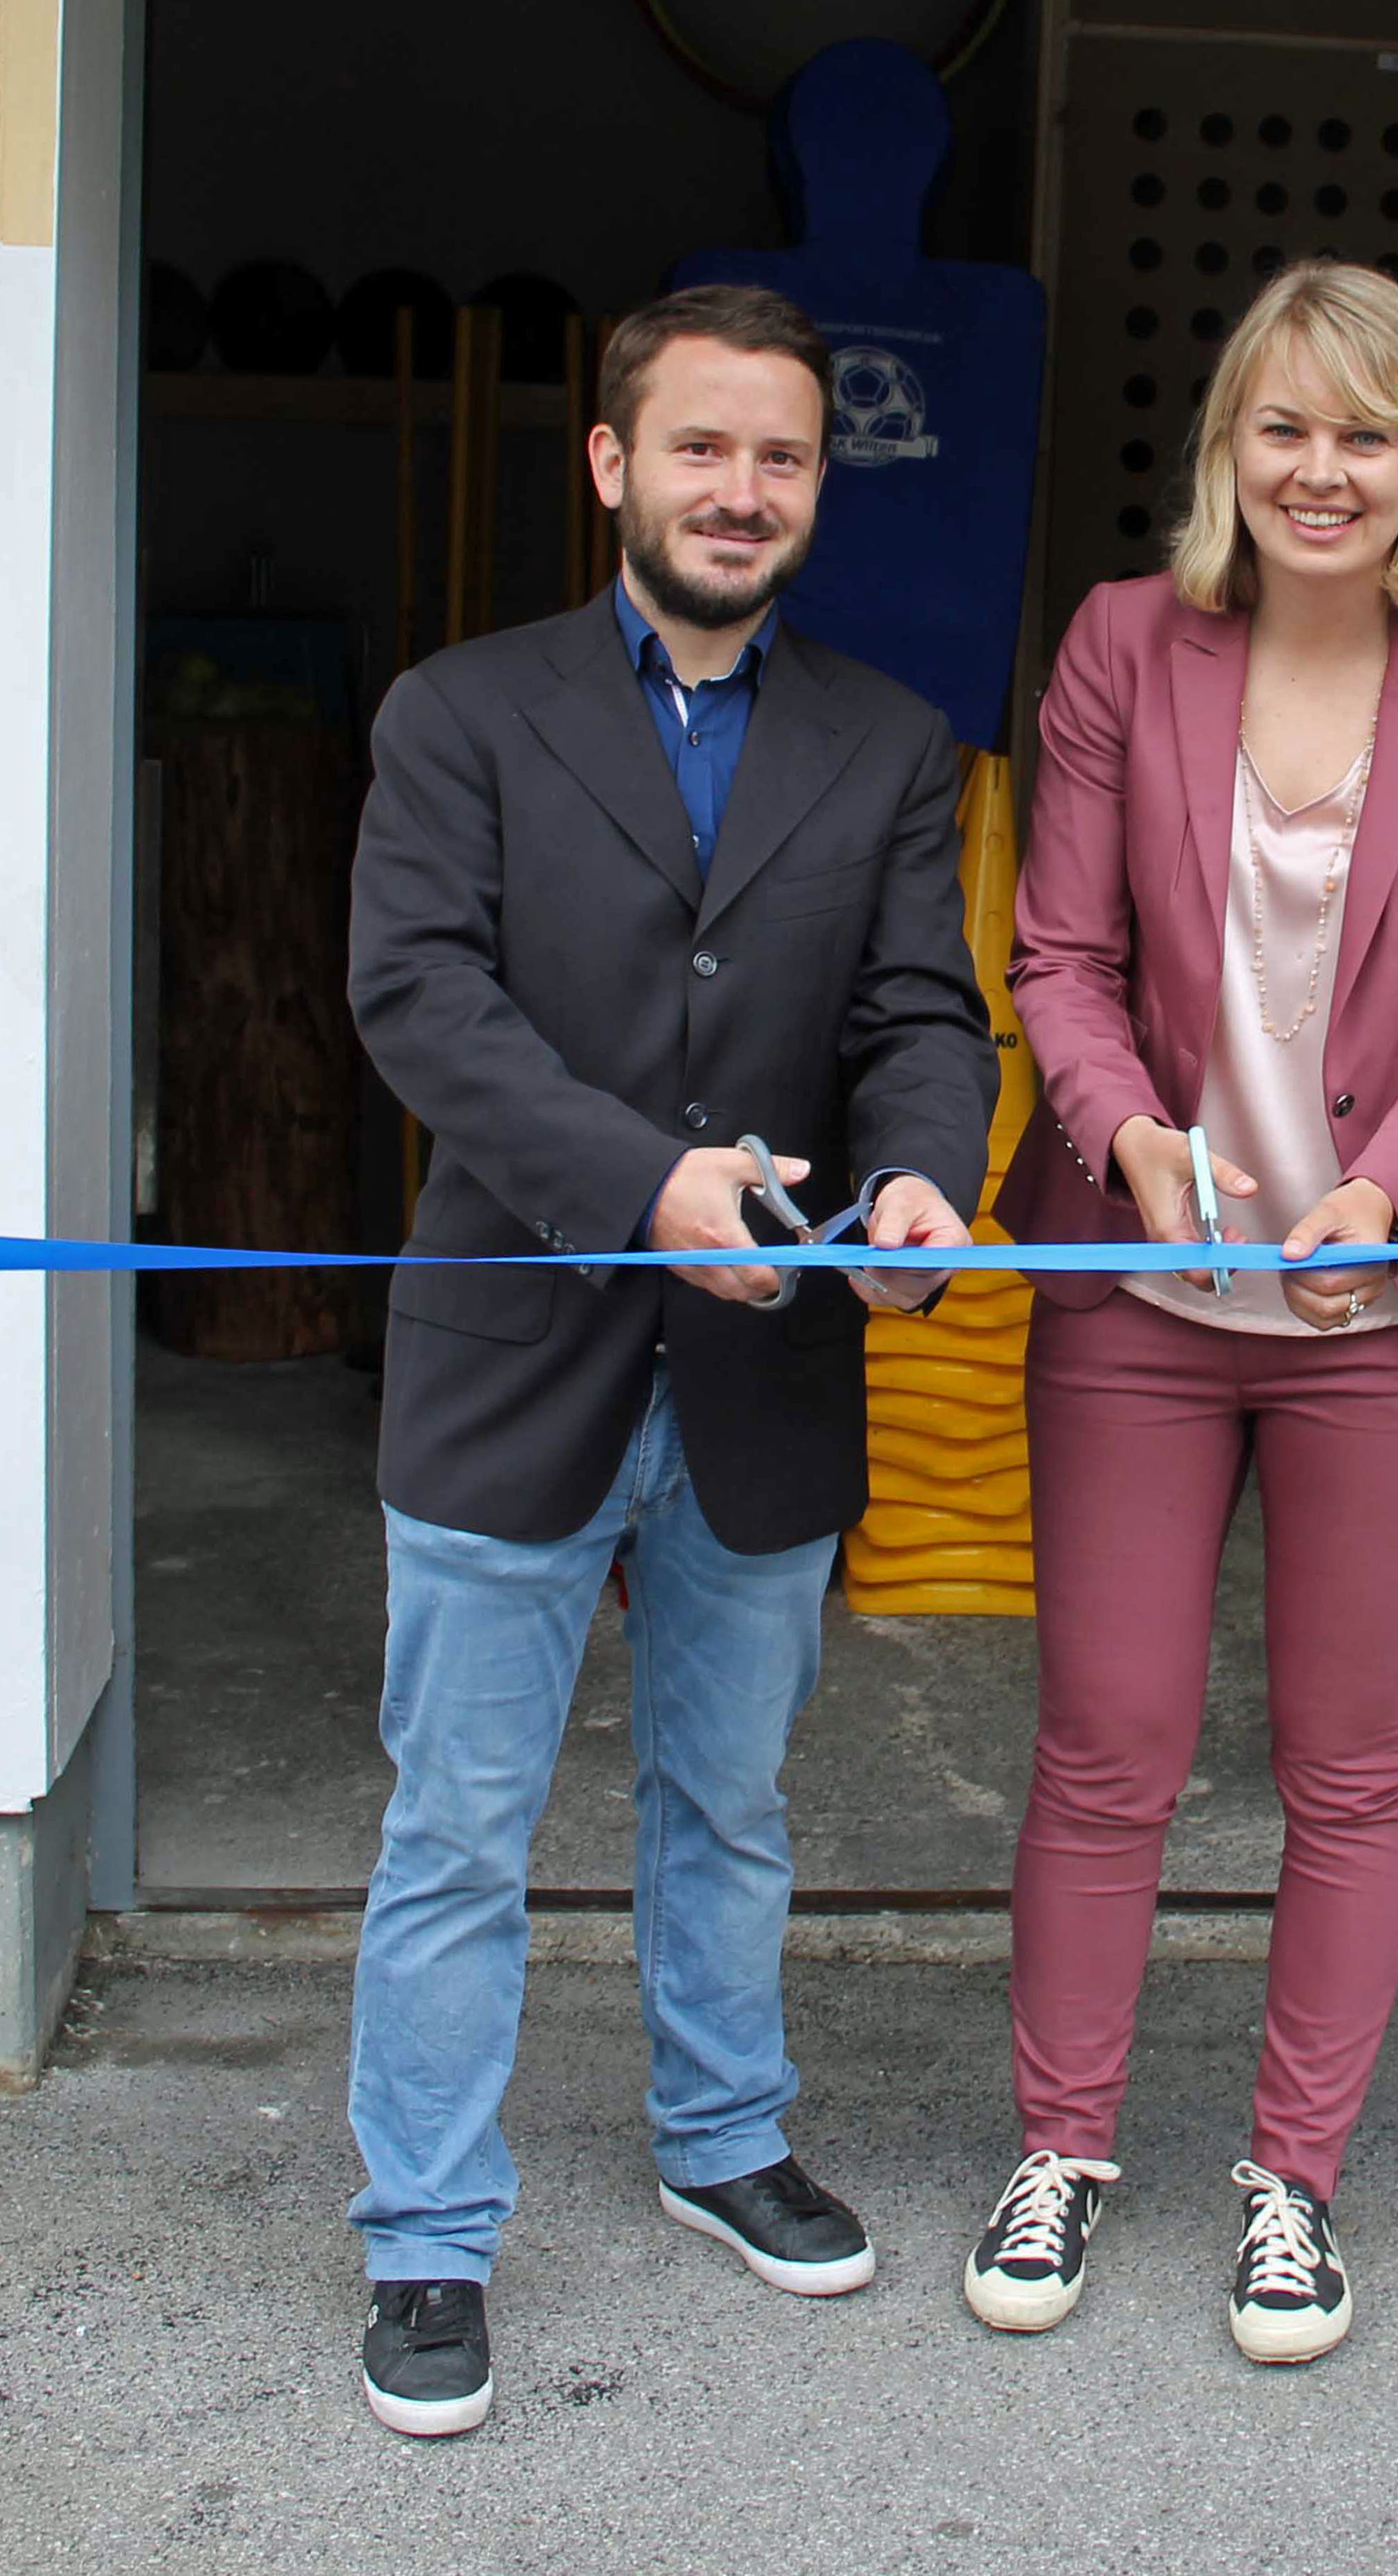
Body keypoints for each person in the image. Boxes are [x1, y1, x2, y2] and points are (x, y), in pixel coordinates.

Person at [339, 282, 999, 2437]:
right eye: (702, 448)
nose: (743, 490)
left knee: (730, 1803)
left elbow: (921, 1014)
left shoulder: (892, 742)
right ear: (614, 464)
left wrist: (916, 1181)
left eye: (783, 455)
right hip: (511, 1344)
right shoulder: (461, 711)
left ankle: (728, 2140)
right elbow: (422, 1001)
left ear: (820, 482)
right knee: (461, 1826)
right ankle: (428, 2238)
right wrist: (647, 1185)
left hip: (772, 1369)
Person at [977, 261, 1398, 2363]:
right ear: (1230, 446)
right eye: (1286, 427)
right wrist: (1125, 1130)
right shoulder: (1125, 649)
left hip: (1386, 1319)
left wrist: (1378, 1193)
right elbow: (1056, 950)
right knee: (1108, 1742)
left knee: (1352, 1767)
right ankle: (1059, 2146)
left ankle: (1294, 2184)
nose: (1325, 470)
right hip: (1140, 1289)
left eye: (1371, 431)